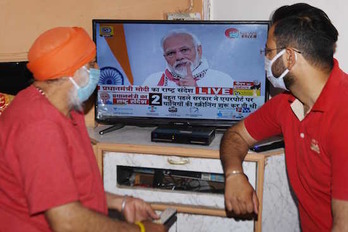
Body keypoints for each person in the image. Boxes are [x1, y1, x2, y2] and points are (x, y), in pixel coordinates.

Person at [0, 27, 166, 232]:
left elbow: (61, 188)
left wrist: (120, 202)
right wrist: (141, 230)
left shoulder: (65, 107)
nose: (98, 69)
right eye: (91, 64)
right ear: (73, 73)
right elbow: (67, 222)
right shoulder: (39, 128)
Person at [219, 3, 348, 232]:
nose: (265, 60)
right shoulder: (287, 104)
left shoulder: (343, 115)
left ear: (288, 57)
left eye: (268, 52)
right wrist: (234, 174)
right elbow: (236, 135)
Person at [142, 29, 234, 87]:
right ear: (165, 57)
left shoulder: (222, 80)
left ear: (199, 50)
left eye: (184, 50)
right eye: (171, 53)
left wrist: (195, 90)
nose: (179, 57)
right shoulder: (152, 81)